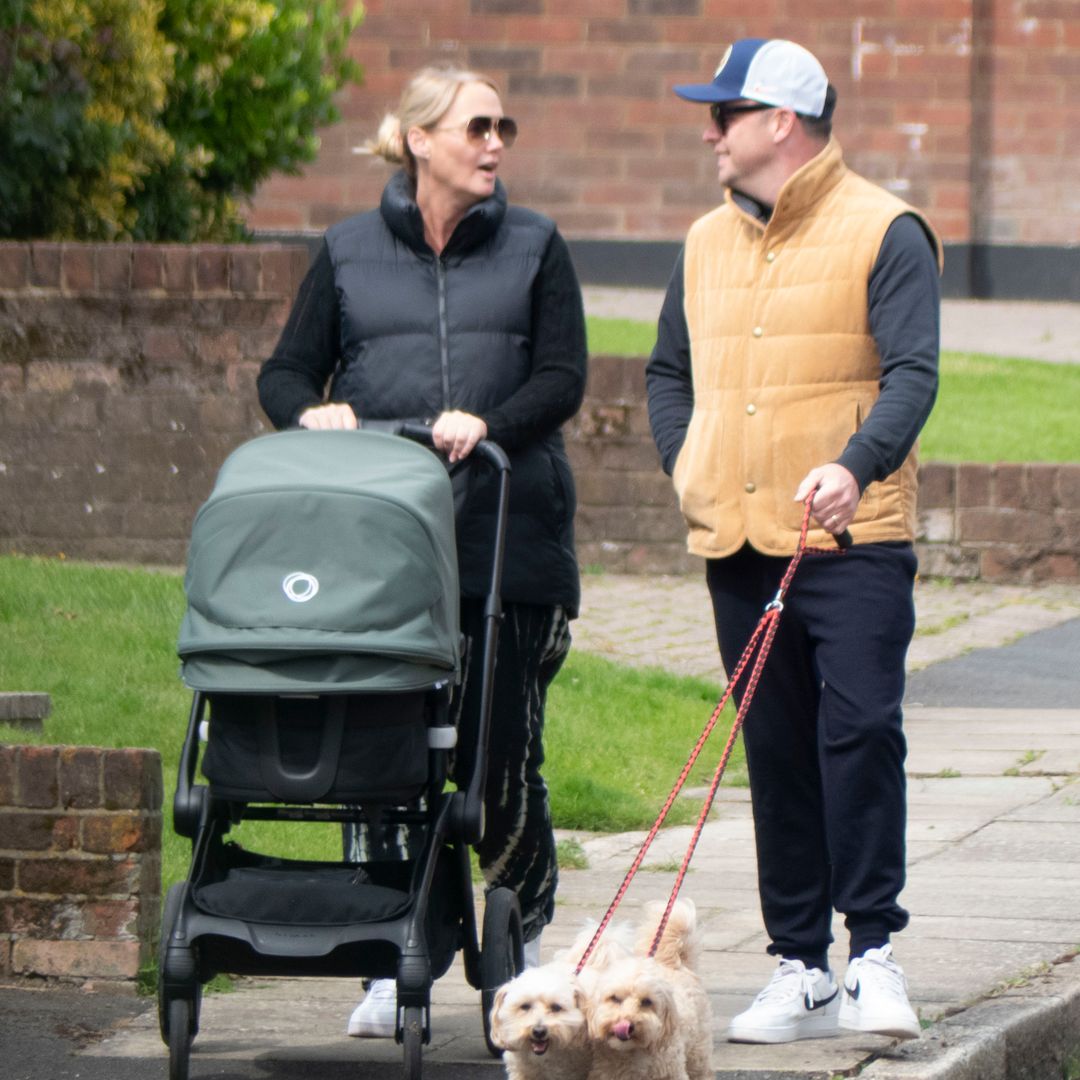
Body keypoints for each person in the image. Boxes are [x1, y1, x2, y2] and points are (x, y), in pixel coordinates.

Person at [257, 65, 587, 1038]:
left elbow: (565, 376)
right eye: (478, 126)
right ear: (418, 141)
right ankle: (386, 952)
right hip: (381, 561)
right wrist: (310, 415)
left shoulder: (536, 246)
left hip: (506, 551)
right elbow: (284, 372)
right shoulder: (350, 253)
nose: (497, 143)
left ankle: (518, 953)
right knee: (380, 758)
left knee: (499, 763)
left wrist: (488, 419)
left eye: (504, 127)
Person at [646, 38, 942, 1045]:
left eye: (724, 114)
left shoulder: (886, 230)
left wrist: (855, 465)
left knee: (858, 735)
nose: (709, 132)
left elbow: (912, 374)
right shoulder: (701, 243)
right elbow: (666, 374)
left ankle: (875, 957)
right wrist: (693, 461)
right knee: (773, 752)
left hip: (852, 543)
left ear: (780, 121)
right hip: (738, 541)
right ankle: (800, 966)